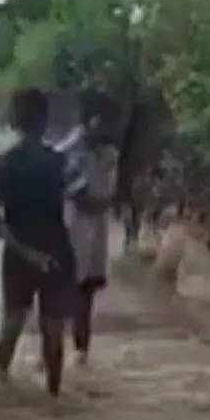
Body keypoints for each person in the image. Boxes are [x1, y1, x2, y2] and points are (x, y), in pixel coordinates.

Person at [0, 87, 76, 396]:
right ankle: (54, 394)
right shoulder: (60, 162)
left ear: (14, 120)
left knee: (12, 322)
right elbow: (84, 201)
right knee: (53, 328)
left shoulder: (1, 164)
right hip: (56, 248)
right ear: (45, 120)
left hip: (18, 250)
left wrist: (22, 249)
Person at [63, 92, 121, 365]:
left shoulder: (107, 152)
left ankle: (80, 352)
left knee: (85, 291)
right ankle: (59, 350)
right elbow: (79, 194)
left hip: (93, 230)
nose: (110, 127)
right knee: (69, 290)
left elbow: (105, 194)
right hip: (73, 228)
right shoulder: (72, 149)